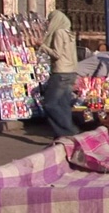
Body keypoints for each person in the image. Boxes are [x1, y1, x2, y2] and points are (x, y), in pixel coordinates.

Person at [35, 10, 80, 139]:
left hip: (61, 72)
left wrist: (41, 46)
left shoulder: (59, 33)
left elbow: (57, 54)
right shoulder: (68, 33)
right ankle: (63, 134)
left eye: (50, 20)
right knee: (63, 104)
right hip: (70, 71)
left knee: (50, 103)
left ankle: (68, 130)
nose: (49, 23)